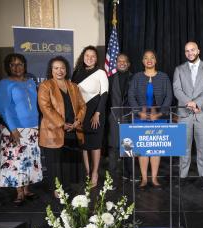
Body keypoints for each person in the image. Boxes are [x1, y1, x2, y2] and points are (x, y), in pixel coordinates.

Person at [0, 53, 43, 206]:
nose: (17, 67)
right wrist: (13, 128)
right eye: (13, 64)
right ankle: (19, 193)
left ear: (25, 65)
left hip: (32, 128)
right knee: (16, 161)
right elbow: (3, 108)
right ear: (8, 67)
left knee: (29, 159)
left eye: (20, 64)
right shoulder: (5, 83)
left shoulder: (30, 82)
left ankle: (27, 190)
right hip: (14, 129)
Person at [38, 56, 86, 197]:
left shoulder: (73, 86)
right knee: (55, 163)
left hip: (72, 129)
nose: (60, 71)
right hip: (54, 130)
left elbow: (82, 106)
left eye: (62, 68)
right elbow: (45, 108)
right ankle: (56, 190)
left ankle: (67, 187)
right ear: (51, 70)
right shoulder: (46, 86)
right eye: (56, 68)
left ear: (66, 70)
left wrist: (78, 121)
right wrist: (61, 124)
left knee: (67, 163)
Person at [173, 41, 203, 189]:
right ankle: (183, 177)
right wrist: (190, 103)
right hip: (184, 115)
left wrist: (196, 102)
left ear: (198, 50)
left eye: (192, 50)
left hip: (202, 114)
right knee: (183, 148)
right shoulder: (179, 69)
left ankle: (202, 176)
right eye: (187, 51)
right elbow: (177, 90)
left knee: (202, 148)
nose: (190, 53)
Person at [128, 50, 173, 189]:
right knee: (142, 150)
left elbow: (169, 97)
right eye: (146, 58)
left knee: (155, 149)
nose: (149, 60)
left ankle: (154, 178)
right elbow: (131, 95)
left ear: (155, 60)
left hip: (158, 118)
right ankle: (144, 179)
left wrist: (159, 114)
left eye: (152, 57)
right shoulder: (137, 77)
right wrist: (138, 112)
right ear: (142, 61)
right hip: (140, 118)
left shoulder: (163, 77)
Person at [72, 46, 108, 186]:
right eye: (87, 55)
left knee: (95, 144)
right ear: (83, 56)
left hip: (96, 114)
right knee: (84, 145)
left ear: (96, 58)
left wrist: (97, 113)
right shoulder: (76, 73)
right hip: (81, 114)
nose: (90, 58)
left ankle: (95, 173)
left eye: (93, 56)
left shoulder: (101, 73)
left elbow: (104, 94)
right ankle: (87, 172)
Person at [107, 54, 133, 177]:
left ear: (128, 64)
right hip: (114, 116)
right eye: (119, 61)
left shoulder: (134, 78)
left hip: (129, 116)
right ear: (116, 63)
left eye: (124, 61)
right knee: (113, 146)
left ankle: (129, 174)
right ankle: (111, 177)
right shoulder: (110, 79)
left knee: (128, 146)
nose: (122, 63)